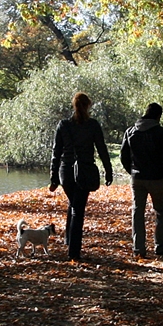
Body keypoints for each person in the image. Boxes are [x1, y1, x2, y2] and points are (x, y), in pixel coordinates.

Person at [49, 92, 113, 261]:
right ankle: (74, 252)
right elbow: (102, 149)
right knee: (78, 209)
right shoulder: (92, 125)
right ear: (88, 106)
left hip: (66, 172)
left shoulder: (63, 125)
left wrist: (54, 177)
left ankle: (69, 240)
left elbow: (56, 153)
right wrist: (108, 170)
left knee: (74, 203)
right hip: (84, 170)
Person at [121, 102, 163, 257]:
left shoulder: (131, 131)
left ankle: (138, 248)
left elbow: (124, 156)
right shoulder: (160, 132)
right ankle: (161, 246)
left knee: (137, 212)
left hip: (137, 177)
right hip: (156, 178)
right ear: (158, 116)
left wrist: (131, 171)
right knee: (161, 212)